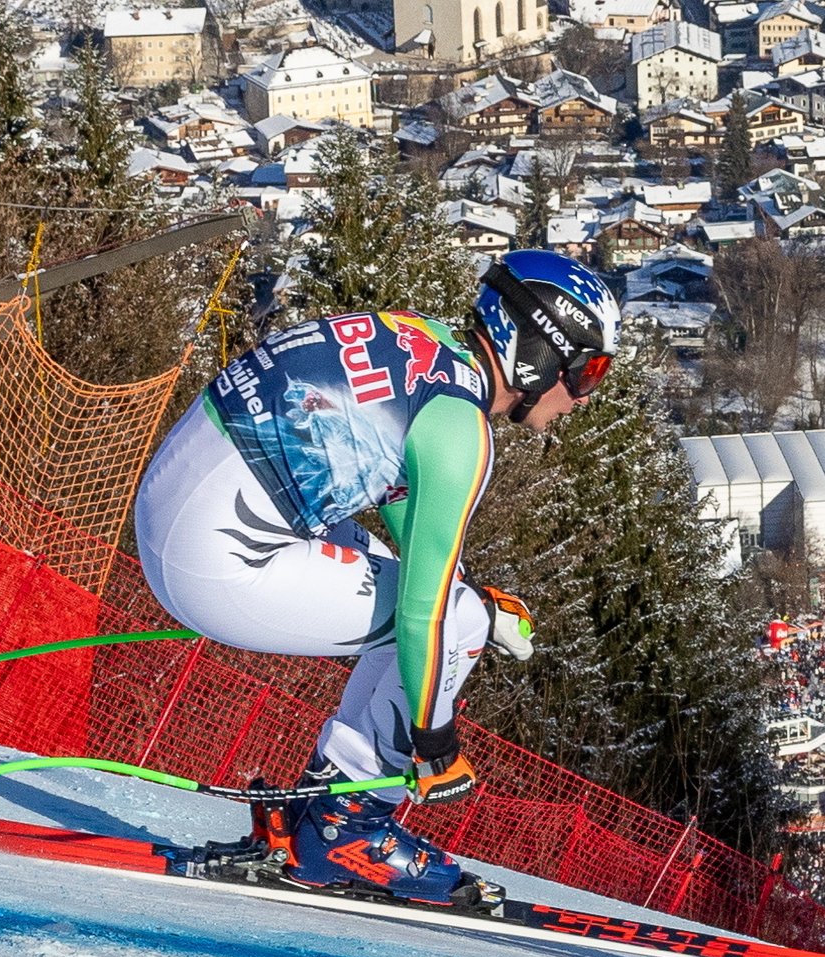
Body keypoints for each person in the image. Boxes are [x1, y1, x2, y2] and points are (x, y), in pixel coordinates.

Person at [132, 251, 619, 909]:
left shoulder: (421, 342)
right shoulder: (461, 431)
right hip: (216, 550)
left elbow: (390, 487)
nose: (582, 398)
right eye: (588, 372)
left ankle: (323, 810)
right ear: (538, 352)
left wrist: (463, 586)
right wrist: (435, 743)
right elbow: (426, 614)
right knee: (457, 623)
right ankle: (348, 827)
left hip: (179, 503)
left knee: (453, 606)